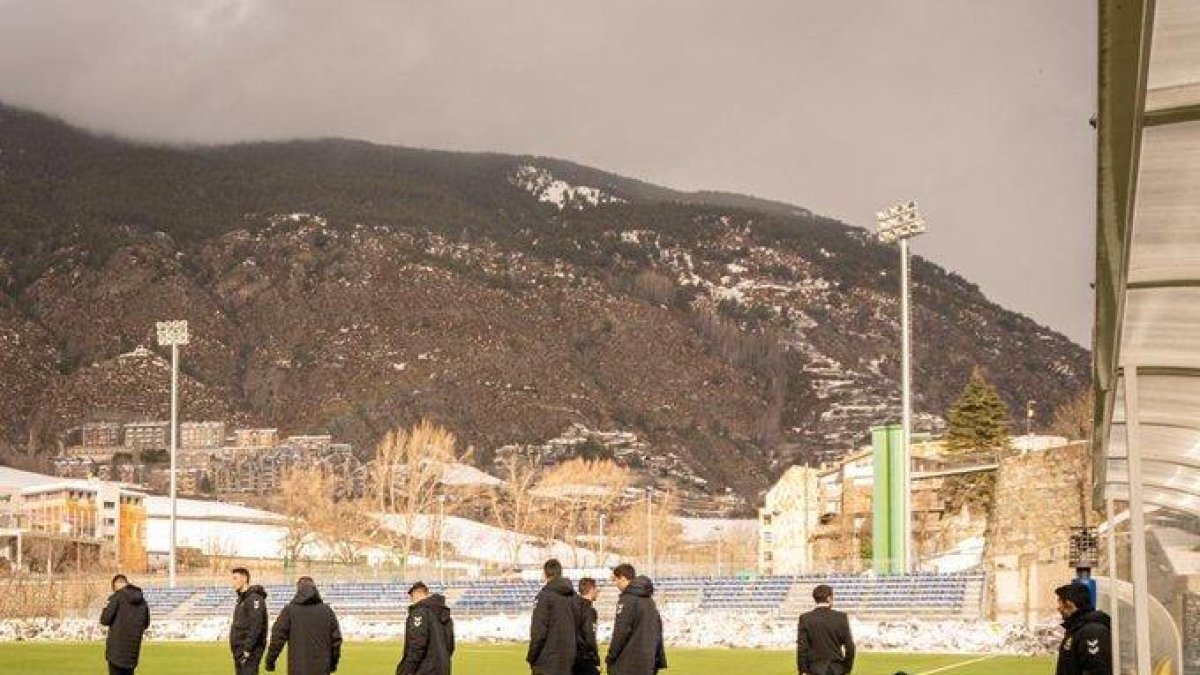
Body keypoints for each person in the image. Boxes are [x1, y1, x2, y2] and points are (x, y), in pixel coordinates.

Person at [266, 577, 343, 675]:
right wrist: (333, 663)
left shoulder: (290, 611)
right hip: (322, 668)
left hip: (298, 668)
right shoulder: (327, 611)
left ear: (298, 590)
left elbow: (277, 638)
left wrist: (270, 661)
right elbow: (336, 641)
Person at [606, 564, 666, 675]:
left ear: (623, 578)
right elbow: (658, 629)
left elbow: (621, 632)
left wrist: (610, 656)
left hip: (627, 664)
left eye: (615, 580)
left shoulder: (627, 599)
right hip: (648, 662)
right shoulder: (649, 600)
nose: (615, 584)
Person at [527, 558, 579, 675]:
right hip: (568, 661)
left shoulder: (545, 596)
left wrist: (532, 656)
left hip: (546, 662)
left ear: (545, 574)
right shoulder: (573, 597)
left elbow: (539, 631)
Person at [397, 581, 455, 675]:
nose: (411, 600)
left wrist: (406, 671)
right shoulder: (444, 614)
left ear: (415, 594)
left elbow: (417, 644)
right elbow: (450, 645)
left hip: (424, 670)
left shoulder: (419, 613)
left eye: (411, 597)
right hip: (443, 669)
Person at [1054, 583, 1112, 675]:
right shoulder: (1077, 629)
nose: (1058, 608)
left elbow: (1097, 670)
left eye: (1059, 602)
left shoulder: (1092, 631)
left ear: (1069, 604)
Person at [796, 584, 855, 675]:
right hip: (837, 669)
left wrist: (803, 670)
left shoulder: (805, 618)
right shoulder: (841, 617)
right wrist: (847, 668)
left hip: (814, 669)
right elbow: (850, 647)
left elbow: (802, 648)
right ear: (829, 598)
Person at [99, 573, 151, 675]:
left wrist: (104, 608)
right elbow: (146, 624)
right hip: (132, 652)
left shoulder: (116, 597)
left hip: (116, 651)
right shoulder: (143, 601)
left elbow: (105, 620)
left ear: (115, 585)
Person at [230, 567, 269, 675]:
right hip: (239, 650)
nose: (232, 583)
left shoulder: (254, 599)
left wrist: (247, 649)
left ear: (244, 578)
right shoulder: (241, 600)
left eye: (235, 578)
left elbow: (256, 626)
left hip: (249, 651)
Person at [572, 577, 600, 675]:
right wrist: (596, 659)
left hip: (571, 658)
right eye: (596, 588)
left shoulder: (571, 608)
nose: (598, 591)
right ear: (591, 589)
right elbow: (589, 636)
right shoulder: (589, 611)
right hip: (585, 659)